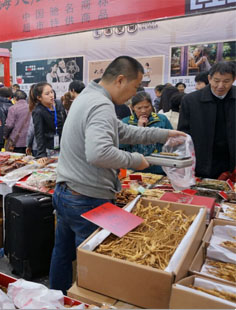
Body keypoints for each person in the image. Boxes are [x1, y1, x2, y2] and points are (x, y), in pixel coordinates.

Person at [50, 56, 186, 294]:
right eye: (135, 87)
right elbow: (99, 153)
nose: (134, 95)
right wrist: (137, 161)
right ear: (121, 80)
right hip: (86, 197)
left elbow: (121, 130)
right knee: (95, 262)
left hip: (66, 192)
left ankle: (57, 297)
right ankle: (85, 300)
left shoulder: (89, 96)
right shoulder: (100, 104)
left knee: (62, 253)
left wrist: (162, 135)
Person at [178, 61, 235, 179]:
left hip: (231, 161)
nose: (220, 86)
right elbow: (183, 133)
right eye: (216, 80)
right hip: (201, 161)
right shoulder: (191, 100)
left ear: (234, 79)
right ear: (209, 78)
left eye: (226, 81)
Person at [120, 91, 173, 174]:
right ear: (132, 107)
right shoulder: (126, 122)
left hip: (158, 167)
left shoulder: (162, 119)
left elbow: (171, 141)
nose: (143, 111)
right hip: (134, 168)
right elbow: (120, 144)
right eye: (139, 108)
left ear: (151, 106)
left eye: (147, 107)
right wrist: (138, 129)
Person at [30, 82, 66, 158]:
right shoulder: (38, 111)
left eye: (52, 92)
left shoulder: (59, 104)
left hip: (64, 146)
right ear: (39, 97)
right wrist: (41, 154)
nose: (51, 95)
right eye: (47, 94)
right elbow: (39, 133)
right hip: (49, 148)